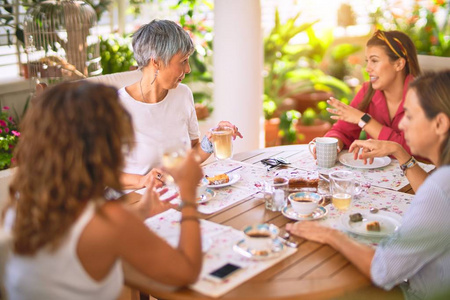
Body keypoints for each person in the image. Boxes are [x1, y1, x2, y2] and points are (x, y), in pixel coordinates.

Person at [2, 82, 204, 299]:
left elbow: (85, 233)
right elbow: (187, 271)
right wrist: (188, 193)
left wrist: (142, 211)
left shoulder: (24, 203)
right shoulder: (110, 221)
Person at [287, 70, 450, 300]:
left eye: (411, 116)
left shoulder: (439, 189)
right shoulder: (442, 181)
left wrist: (331, 236)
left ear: (440, 123)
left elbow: (383, 270)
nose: (402, 125)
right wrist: (399, 151)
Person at [119, 19, 242, 191]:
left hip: (177, 194)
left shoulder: (183, 94)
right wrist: (141, 180)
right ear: (156, 62)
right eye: (183, 61)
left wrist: (211, 139)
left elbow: (190, 156)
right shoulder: (117, 107)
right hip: (136, 201)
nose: (189, 69)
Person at [317, 30, 421, 157]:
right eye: (368, 61)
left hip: (419, 173)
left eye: (375, 61)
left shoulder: (422, 96)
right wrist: (333, 145)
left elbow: (408, 150)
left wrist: (363, 119)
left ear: (399, 64)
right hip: (377, 173)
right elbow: (342, 130)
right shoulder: (368, 90)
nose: (368, 68)